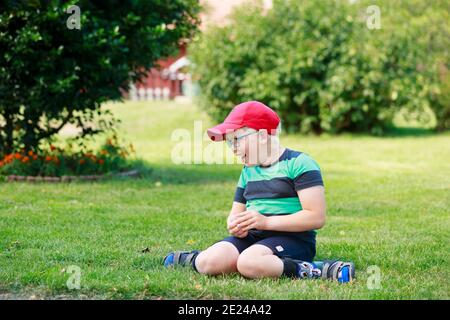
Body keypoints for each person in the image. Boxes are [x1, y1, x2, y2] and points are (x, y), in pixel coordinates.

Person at [164, 101, 354, 282]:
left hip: (293, 238)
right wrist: (236, 225)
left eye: (236, 140)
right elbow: (234, 215)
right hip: (254, 237)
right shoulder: (248, 171)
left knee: (249, 263)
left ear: (262, 135)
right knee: (210, 262)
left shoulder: (299, 163)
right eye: (229, 143)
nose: (233, 149)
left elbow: (316, 217)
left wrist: (266, 222)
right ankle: (194, 258)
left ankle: (317, 269)